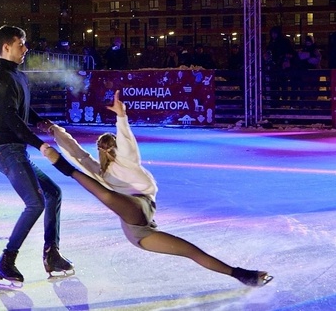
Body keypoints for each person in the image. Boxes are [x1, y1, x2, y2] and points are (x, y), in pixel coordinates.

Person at [40, 90, 273, 287]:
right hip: (135, 214)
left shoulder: (110, 166)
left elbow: (82, 152)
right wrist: (119, 118)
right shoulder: (111, 167)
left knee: (191, 251)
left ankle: (243, 275)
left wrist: (57, 131)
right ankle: (59, 164)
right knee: (107, 194)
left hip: (142, 230)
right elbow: (86, 151)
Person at [0, 25, 74, 287]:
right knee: (35, 202)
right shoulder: (2, 79)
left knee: (53, 193)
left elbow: (21, 110)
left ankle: (52, 255)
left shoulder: (17, 76)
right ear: (6, 48)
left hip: (17, 150)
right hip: (6, 151)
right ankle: (6, 263)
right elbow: (11, 118)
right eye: (20, 44)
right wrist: (41, 145)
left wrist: (41, 122)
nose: (25, 48)